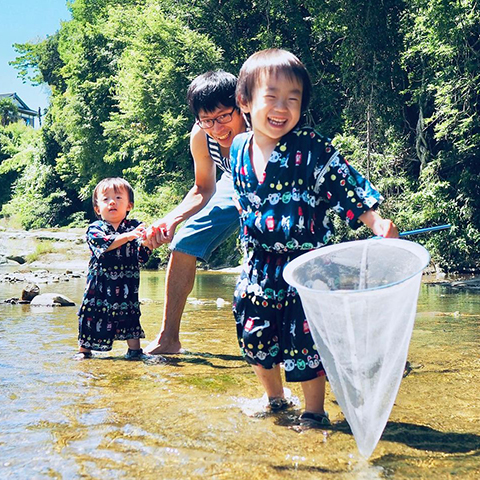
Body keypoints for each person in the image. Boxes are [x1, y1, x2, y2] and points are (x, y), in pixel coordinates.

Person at [230, 49, 398, 425]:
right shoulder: (238, 148)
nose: (282, 107)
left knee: (304, 340)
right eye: (271, 97)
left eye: (293, 99)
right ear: (245, 102)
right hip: (259, 263)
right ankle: (274, 399)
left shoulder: (312, 147)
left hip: (307, 264)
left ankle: (314, 413)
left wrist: (376, 223)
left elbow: (344, 185)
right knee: (254, 333)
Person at [144, 71, 247, 354]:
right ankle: (168, 339)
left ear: (241, 105)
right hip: (231, 183)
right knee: (183, 243)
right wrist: (171, 219)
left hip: (270, 187)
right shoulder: (201, 136)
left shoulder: (261, 129)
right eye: (207, 120)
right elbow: (203, 187)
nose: (217, 128)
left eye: (224, 116)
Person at [76, 177, 152, 360]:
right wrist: (128, 237)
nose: (112, 202)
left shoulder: (135, 226)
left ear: (129, 205)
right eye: (106, 199)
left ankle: (135, 351)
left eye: (118, 198)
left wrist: (150, 242)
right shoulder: (95, 228)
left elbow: (141, 257)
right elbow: (103, 245)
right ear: (97, 209)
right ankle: (84, 351)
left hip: (127, 284)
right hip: (99, 285)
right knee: (91, 313)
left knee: (130, 313)